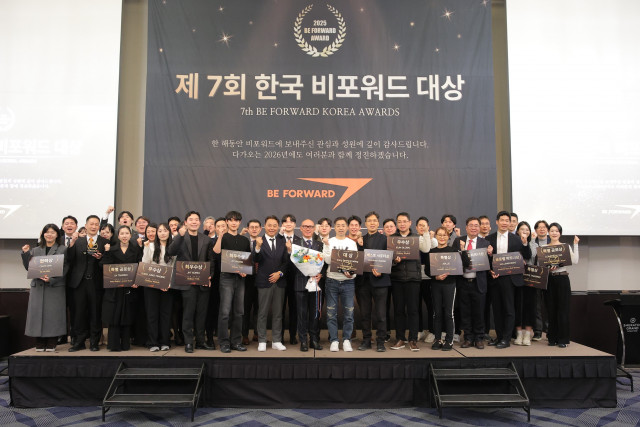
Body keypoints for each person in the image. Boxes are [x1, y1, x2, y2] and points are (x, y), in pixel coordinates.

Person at [167, 211, 215, 353]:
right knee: (188, 313)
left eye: (196, 220)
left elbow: (211, 260)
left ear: (200, 222)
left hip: (202, 281)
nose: (194, 222)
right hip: (186, 281)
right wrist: (180, 236)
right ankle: (188, 342)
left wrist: (209, 276)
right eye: (191, 219)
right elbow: (171, 251)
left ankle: (200, 341)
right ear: (186, 222)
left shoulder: (206, 239)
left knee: (201, 313)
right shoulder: (180, 237)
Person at [486, 211, 531, 349]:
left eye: (507, 220)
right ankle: (499, 337)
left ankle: (506, 338)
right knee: (497, 309)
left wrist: (525, 243)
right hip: (495, 278)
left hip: (510, 279)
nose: (505, 223)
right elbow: (485, 260)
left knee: (509, 309)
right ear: (497, 222)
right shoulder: (489, 238)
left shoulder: (516, 239)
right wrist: (490, 267)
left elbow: (527, 255)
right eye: (502, 220)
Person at [21, 224, 68, 352]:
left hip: (54, 286)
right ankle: (40, 341)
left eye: (52, 232)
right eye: (47, 232)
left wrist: (52, 279)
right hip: (38, 287)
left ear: (57, 235)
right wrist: (25, 253)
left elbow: (66, 268)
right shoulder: (36, 250)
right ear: (43, 234)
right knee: (37, 315)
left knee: (53, 315)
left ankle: (52, 341)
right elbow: (29, 267)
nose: (49, 235)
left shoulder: (63, 249)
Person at [66, 215, 108, 352]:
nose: (94, 226)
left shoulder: (104, 242)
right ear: (86, 225)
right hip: (79, 283)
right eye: (91, 224)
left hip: (96, 283)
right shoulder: (78, 241)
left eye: (96, 224)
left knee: (95, 313)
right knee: (79, 313)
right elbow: (69, 259)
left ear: (99, 227)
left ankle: (94, 342)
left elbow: (108, 262)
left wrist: (101, 257)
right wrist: (72, 243)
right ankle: (79, 342)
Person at [213, 211, 251, 353]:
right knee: (224, 312)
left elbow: (247, 259)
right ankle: (224, 342)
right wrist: (220, 235)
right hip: (226, 278)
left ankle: (236, 341)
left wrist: (244, 270)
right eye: (231, 220)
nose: (234, 223)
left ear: (240, 222)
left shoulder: (244, 240)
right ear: (227, 222)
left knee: (239, 311)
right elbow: (216, 252)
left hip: (240, 279)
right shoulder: (223, 237)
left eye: (236, 220)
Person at [452, 217, 492, 350]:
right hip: (463, 282)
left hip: (478, 282)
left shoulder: (485, 243)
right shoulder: (458, 241)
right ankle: (468, 338)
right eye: (471, 225)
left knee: (479, 312)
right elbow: (454, 260)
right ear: (466, 227)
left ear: (479, 228)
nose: (474, 228)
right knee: (465, 312)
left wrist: (490, 255)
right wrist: (461, 250)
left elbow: (489, 264)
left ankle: (479, 338)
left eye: (476, 225)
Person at [100, 226, 142, 351]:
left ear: (130, 235)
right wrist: (107, 252)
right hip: (114, 288)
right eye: (122, 233)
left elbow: (140, 266)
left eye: (126, 233)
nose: (124, 236)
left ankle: (125, 344)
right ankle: (113, 345)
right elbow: (103, 265)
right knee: (114, 315)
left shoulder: (136, 250)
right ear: (118, 236)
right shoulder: (111, 249)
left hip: (130, 288)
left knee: (127, 315)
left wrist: (137, 281)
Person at [428, 227, 469, 351]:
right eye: (439, 235)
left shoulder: (454, 251)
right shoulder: (432, 251)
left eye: (444, 235)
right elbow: (427, 270)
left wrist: (463, 249)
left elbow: (466, 264)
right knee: (437, 313)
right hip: (435, 284)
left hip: (450, 284)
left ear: (448, 237)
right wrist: (436, 276)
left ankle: (449, 340)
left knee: (448, 313)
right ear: (436, 236)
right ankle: (438, 339)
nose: (442, 237)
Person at [390, 212, 425, 352]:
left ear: (410, 223)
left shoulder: (416, 238)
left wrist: (427, 235)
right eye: (399, 221)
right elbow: (388, 260)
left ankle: (413, 339)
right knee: (398, 310)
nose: (402, 224)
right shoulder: (392, 239)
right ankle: (400, 338)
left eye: (405, 221)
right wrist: (394, 260)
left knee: (413, 310)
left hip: (413, 279)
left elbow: (426, 249)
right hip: (397, 279)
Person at [254, 216, 289, 351]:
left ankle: (276, 340)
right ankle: (262, 340)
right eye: (269, 225)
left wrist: (279, 273)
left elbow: (286, 262)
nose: (272, 228)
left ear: (278, 226)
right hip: (264, 282)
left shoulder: (282, 241)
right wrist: (257, 247)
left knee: (278, 313)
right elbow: (255, 259)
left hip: (279, 282)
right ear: (264, 226)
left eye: (275, 225)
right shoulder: (259, 240)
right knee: (262, 313)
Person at [322, 217, 358, 352]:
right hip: (332, 281)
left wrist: (352, 274)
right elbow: (327, 261)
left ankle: (347, 339)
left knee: (349, 312)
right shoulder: (329, 241)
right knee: (331, 312)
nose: (341, 228)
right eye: (338, 225)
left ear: (347, 227)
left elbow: (355, 263)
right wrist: (326, 245)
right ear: (334, 228)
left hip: (348, 282)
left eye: (343, 225)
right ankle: (334, 340)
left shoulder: (351, 243)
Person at [357, 211, 391, 352]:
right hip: (363, 282)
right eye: (369, 221)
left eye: (374, 220)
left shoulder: (385, 239)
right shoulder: (360, 239)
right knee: (365, 314)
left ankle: (381, 341)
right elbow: (357, 259)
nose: (372, 223)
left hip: (380, 281)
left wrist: (381, 270)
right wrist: (359, 246)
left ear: (378, 223)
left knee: (381, 315)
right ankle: (366, 340)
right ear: (365, 224)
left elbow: (389, 258)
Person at [142, 223, 176, 352]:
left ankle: (164, 341)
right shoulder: (150, 246)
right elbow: (145, 264)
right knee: (152, 314)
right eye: (160, 231)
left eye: (165, 230)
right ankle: (152, 342)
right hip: (151, 284)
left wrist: (168, 283)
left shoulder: (173, 248)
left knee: (166, 314)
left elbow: (174, 267)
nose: (162, 233)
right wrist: (146, 248)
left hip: (167, 286)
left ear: (169, 232)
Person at [546, 223, 579, 348]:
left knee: (563, 309)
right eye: (552, 230)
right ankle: (552, 337)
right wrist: (548, 268)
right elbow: (540, 264)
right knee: (551, 309)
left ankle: (562, 339)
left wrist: (575, 244)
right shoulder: (544, 248)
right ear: (548, 233)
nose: (554, 233)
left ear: (560, 233)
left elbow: (574, 261)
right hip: (549, 280)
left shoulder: (565, 246)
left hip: (562, 279)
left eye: (556, 231)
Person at [294, 218, 324, 351]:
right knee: (301, 315)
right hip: (300, 283)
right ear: (301, 228)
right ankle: (303, 341)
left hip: (315, 284)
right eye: (305, 226)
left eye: (310, 227)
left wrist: (321, 274)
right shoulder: (295, 244)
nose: (308, 229)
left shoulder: (320, 244)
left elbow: (325, 263)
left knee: (314, 314)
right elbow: (291, 264)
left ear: (314, 229)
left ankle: (314, 340)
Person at [205, 217, 228, 346]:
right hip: (214, 279)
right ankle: (209, 337)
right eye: (218, 226)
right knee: (212, 308)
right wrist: (220, 237)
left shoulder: (232, 240)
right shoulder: (210, 241)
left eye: (223, 226)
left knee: (224, 309)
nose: (221, 228)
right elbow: (214, 255)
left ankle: (223, 337)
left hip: (229, 279)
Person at [514, 221, 536, 346]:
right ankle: (519, 333)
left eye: (527, 229)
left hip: (530, 278)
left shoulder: (533, 243)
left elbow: (529, 256)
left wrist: (525, 243)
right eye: (522, 229)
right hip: (516, 278)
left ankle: (527, 334)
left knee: (529, 306)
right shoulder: (513, 242)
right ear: (517, 231)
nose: (525, 231)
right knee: (517, 305)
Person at [280, 214, 300, 345]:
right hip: (280, 279)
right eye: (285, 222)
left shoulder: (300, 240)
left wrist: (291, 251)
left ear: (294, 225)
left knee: (294, 309)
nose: (288, 224)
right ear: (282, 224)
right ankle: (279, 336)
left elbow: (302, 260)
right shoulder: (277, 239)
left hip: (296, 279)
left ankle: (293, 335)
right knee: (279, 309)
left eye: (291, 222)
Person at [416, 216, 437, 343]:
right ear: (416, 227)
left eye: (424, 225)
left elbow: (429, 250)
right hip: (416, 277)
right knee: (416, 305)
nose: (422, 227)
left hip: (429, 277)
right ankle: (419, 330)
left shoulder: (434, 241)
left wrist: (429, 237)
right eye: (420, 225)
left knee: (431, 305)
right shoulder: (413, 240)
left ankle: (432, 331)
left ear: (428, 227)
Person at [241, 219, 262, 345]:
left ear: (260, 229)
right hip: (245, 279)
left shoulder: (264, 242)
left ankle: (257, 333)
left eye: (256, 227)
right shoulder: (243, 241)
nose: (254, 229)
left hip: (260, 279)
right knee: (245, 309)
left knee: (259, 309)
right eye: (251, 227)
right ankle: (244, 335)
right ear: (247, 229)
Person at [59, 215, 78, 346]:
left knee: (75, 309)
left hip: (75, 280)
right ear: (62, 226)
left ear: (76, 226)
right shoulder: (57, 240)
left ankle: (75, 335)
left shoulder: (81, 240)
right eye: (66, 223)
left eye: (72, 223)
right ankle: (61, 335)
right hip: (58, 280)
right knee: (60, 308)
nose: (69, 225)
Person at [532, 220, 551, 341]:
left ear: (547, 230)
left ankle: (549, 330)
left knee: (550, 304)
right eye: (539, 227)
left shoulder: (553, 242)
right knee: (536, 306)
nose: (542, 229)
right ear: (536, 230)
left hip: (550, 276)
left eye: (544, 227)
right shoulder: (533, 242)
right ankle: (538, 331)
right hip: (536, 276)